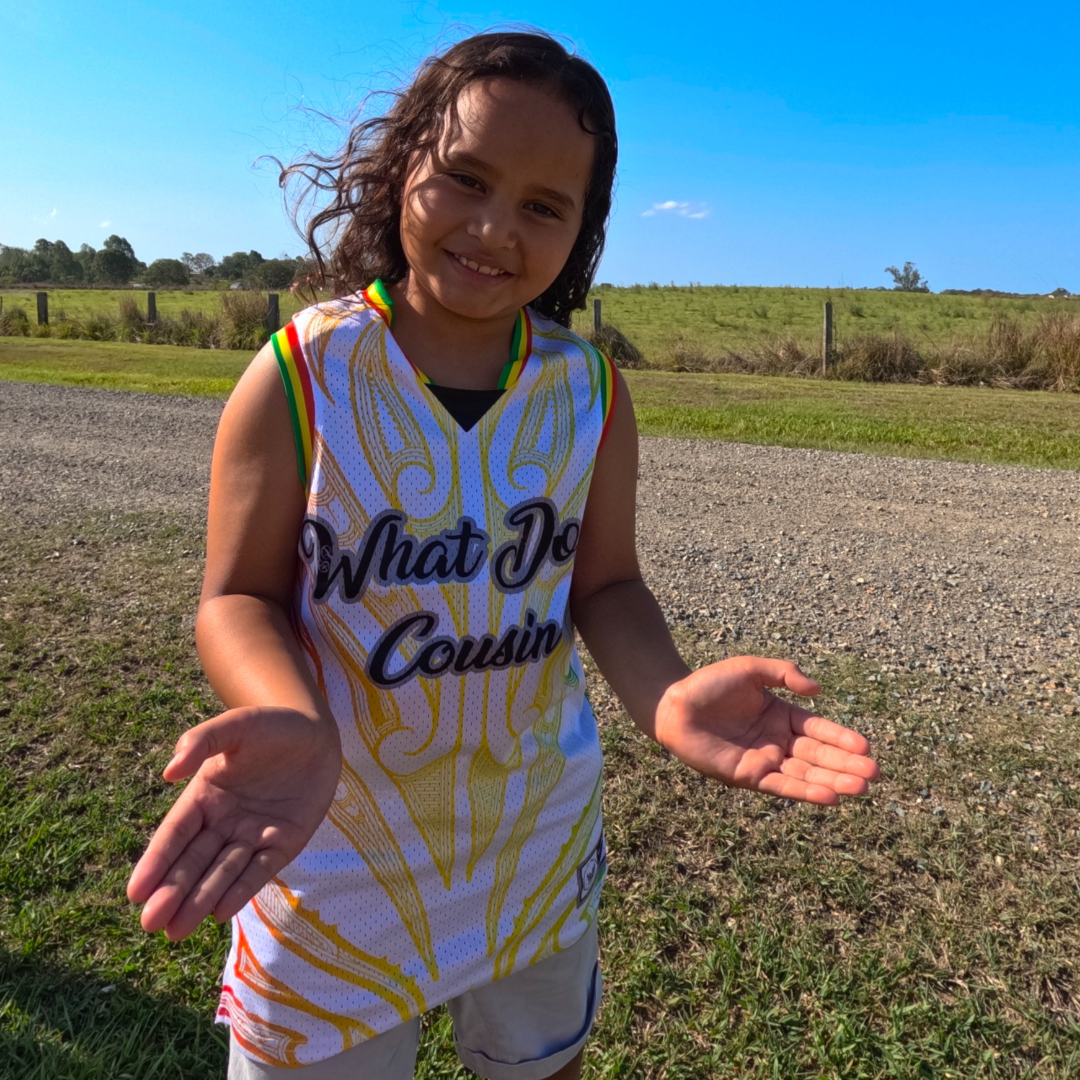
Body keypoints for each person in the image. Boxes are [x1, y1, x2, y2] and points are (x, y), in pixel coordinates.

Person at [127, 31, 879, 1080]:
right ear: (401, 174)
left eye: (542, 205)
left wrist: (663, 697)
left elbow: (605, 581)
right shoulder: (304, 373)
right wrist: (291, 715)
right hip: (333, 841)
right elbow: (237, 596)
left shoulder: (590, 392)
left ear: (584, 228)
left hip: (534, 843)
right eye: (465, 180)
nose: (493, 229)